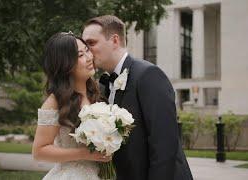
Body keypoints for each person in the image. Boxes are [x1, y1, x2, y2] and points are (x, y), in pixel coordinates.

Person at [82, 15, 193, 180]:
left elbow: (165, 145)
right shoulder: (103, 85)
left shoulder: (149, 75)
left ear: (114, 40)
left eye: (91, 43)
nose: (87, 52)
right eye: (85, 45)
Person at [32, 32, 111, 180]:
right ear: (65, 64)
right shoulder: (54, 101)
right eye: (80, 55)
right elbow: (39, 151)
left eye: (87, 50)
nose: (89, 58)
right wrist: (84, 154)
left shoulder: (95, 93)